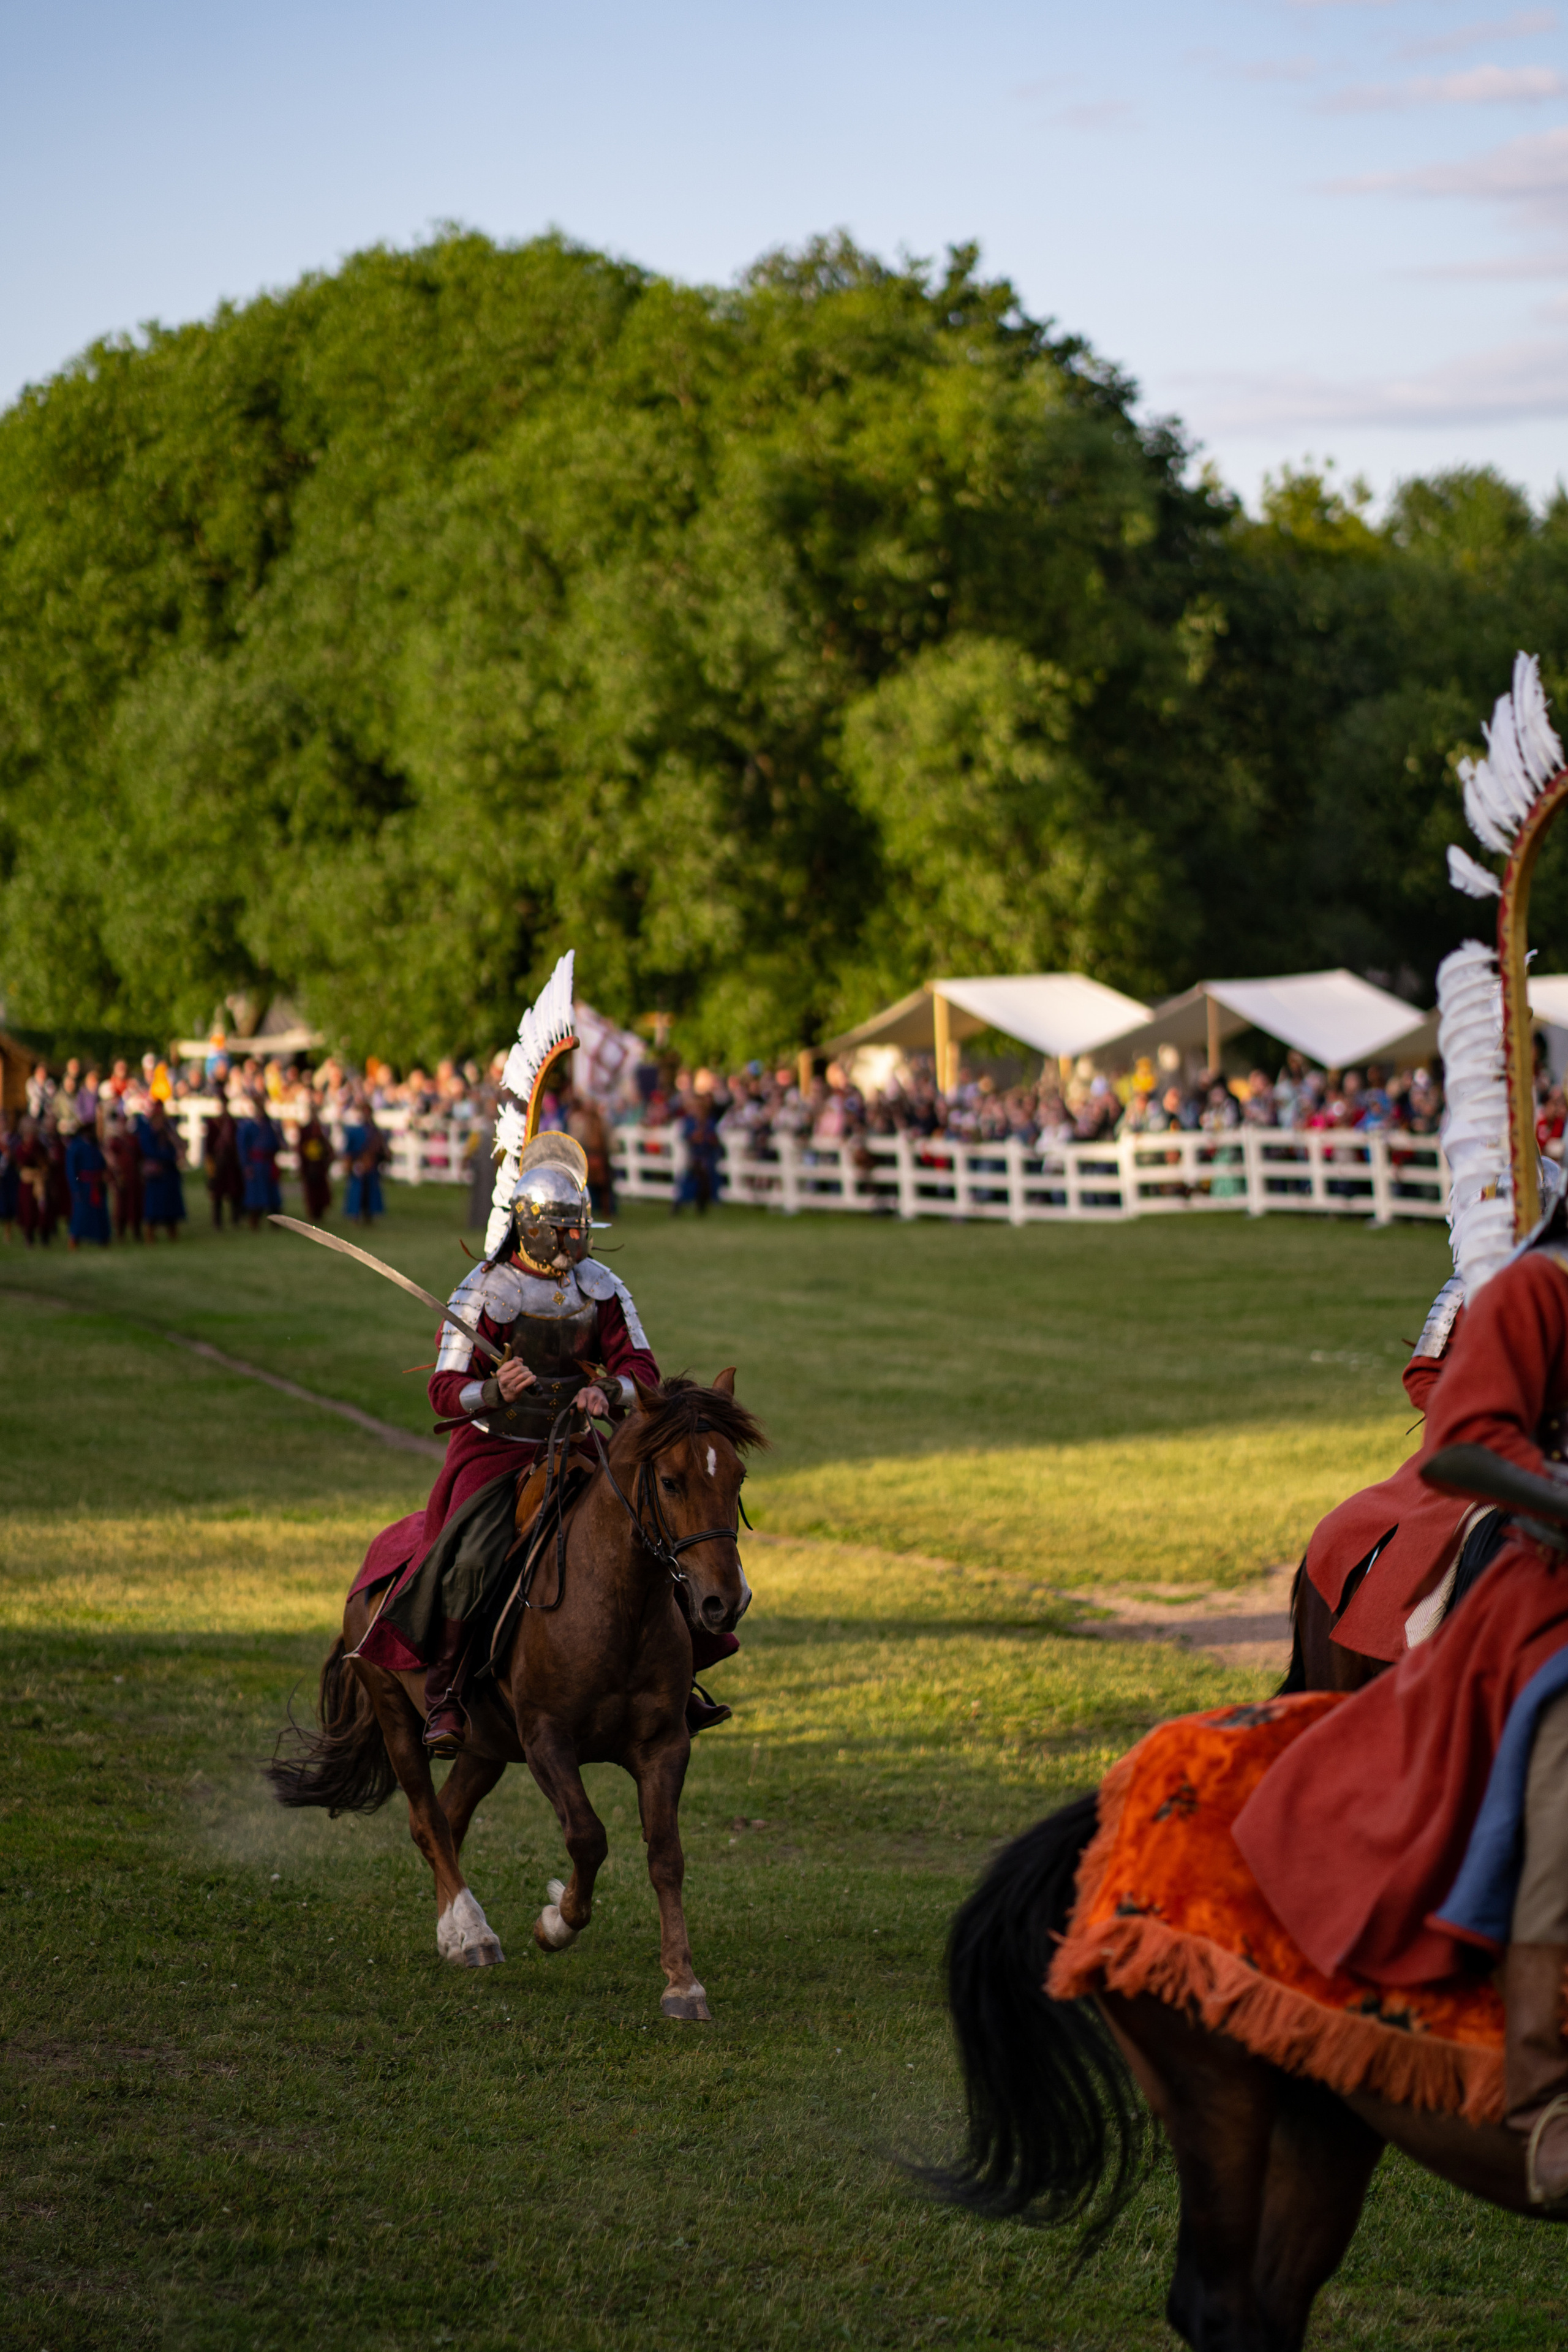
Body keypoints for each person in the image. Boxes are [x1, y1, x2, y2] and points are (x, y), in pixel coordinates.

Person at [355, 1129, 669, 1751]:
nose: (577, 1242)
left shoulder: (601, 1285)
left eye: (581, 1230)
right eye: (566, 1231)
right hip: (497, 1452)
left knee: (655, 1533)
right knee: (472, 1556)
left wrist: (609, 1391)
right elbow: (445, 1390)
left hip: (577, 1444)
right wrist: (494, 1390)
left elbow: (643, 1370)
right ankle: (446, 1693)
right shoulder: (486, 1290)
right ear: (534, 1229)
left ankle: (672, 1682)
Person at [61, 1109, 111, 1248]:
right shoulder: (75, 1146)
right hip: (84, 1185)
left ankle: (102, 1238)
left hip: (96, 1184)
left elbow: (101, 1164)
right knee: (81, 1213)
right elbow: (71, 1170)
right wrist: (76, 1188)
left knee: (99, 1213)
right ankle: (75, 1239)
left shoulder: (94, 1145)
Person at [137, 1101, 186, 1239]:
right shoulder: (148, 1132)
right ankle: (150, 1234)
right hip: (156, 1174)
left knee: (171, 1206)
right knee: (154, 1206)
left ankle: (172, 1232)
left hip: (169, 1173)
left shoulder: (168, 1131)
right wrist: (166, 1156)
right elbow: (149, 1150)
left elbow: (177, 1147)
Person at [236, 1096, 282, 1229]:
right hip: (256, 1165)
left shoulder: (270, 1125)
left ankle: (275, 1222)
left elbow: (277, 1143)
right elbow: (243, 1147)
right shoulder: (248, 1126)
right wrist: (246, 1165)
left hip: (268, 1164)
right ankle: (254, 1222)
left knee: (272, 1195)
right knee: (255, 1196)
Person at [342, 1098, 388, 1225]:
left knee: (371, 1192)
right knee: (357, 1192)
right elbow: (349, 1150)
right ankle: (355, 1215)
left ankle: (369, 1215)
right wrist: (350, 1164)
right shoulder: (356, 1131)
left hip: (371, 1165)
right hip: (358, 1163)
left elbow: (381, 1149)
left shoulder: (375, 1132)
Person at [203, 1097, 244, 1228]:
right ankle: (218, 1222)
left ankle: (236, 1220)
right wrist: (211, 1163)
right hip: (218, 1162)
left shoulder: (232, 1123)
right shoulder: (214, 1124)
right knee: (218, 1194)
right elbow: (209, 1146)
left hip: (231, 1162)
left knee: (235, 1192)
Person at [104, 1107, 143, 1241]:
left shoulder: (133, 1139)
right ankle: (121, 1233)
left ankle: (136, 1231)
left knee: (135, 1204)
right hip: (121, 1176)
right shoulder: (114, 1141)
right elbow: (110, 1158)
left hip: (133, 1177)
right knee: (121, 1206)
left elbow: (139, 1157)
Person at [296, 1106, 334, 1221]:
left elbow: (327, 1147)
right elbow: (302, 1147)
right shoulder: (305, 1130)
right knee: (311, 1190)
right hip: (310, 1163)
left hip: (319, 1163)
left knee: (321, 1190)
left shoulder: (322, 1130)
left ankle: (320, 1211)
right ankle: (313, 1211)